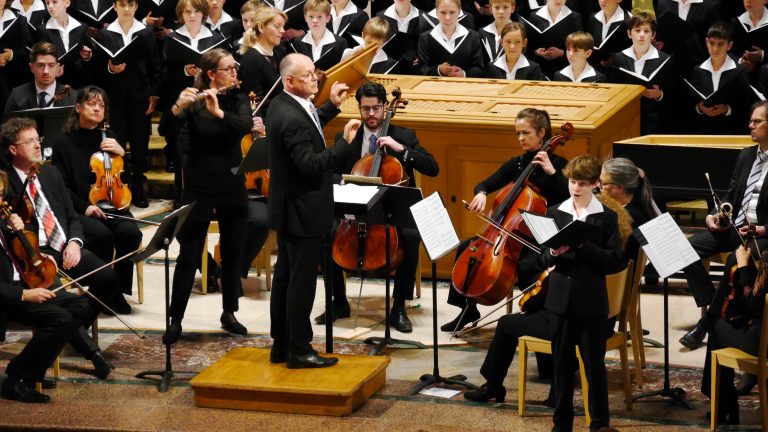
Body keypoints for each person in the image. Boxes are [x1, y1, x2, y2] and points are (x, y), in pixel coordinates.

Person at [1, 117, 120, 378]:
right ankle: (92, 352)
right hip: (34, 253)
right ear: (13, 149)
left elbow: (71, 217)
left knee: (109, 278)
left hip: (63, 245)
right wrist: (37, 253)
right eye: (29, 141)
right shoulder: (4, 182)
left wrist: (75, 244)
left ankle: (71, 331)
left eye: (37, 140)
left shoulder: (50, 172)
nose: (37, 145)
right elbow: (10, 233)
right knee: (59, 302)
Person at [317, 82, 439, 332]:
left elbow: (432, 167)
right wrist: (346, 180)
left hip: (393, 210)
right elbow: (326, 173)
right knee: (323, 232)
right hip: (356, 208)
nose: (371, 115)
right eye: (365, 109)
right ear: (359, 108)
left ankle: (399, 307)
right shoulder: (347, 136)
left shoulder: (404, 135)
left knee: (411, 236)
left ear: (385, 107)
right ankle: (338, 301)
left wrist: (401, 150)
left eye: (375, 109)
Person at [442, 108, 569, 332]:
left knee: (529, 264)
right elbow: (484, 184)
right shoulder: (518, 164)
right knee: (466, 247)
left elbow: (568, 198)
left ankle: (534, 316)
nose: (520, 138)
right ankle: (467, 309)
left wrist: (551, 172)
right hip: (508, 234)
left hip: (542, 235)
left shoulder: (558, 164)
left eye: (525, 133)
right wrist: (481, 193)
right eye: (517, 133)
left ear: (541, 133)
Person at [266, 53, 352, 368]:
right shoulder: (290, 117)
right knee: (301, 282)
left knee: (286, 278)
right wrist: (343, 145)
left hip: (290, 207)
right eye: (308, 76)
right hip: (303, 211)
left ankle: (282, 345)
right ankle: (300, 350)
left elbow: (309, 125)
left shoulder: (283, 104)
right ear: (289, 81)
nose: (315, 79)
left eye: (315, 73)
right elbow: (310, 164)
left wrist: (331, 105)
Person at [162, 48, 252, 344]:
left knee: (233, 252)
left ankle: (229, 312)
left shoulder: (237, 99)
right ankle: (176, 320)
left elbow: (245, 126)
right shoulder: (193, 97)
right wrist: (178, 106)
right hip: (199, 185)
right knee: (189, 254)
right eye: (229, 69)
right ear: (212, 74)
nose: (235, 73)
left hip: (231, 183)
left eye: (235, 68)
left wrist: (219, 112)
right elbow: (166, 128)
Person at [544, 155, 625, 432]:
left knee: (594, 366)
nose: (575, 188)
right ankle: (561, 422)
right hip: (560, 299)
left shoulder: (606, 217)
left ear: (594, 185)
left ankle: (600, 424)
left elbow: (616, 261)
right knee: (562, 366)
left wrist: (582, 246)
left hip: (590, 300)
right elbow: (541, 257)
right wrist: (554, 251)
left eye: (581, 183)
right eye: (571, 182)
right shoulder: (555, 211)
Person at [679, 101, 768, 349]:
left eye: (757, 121)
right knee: (686, 248)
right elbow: (730, 193)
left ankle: (706, 324)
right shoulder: (747, 154)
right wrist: (715, 214)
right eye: (750, 120)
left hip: (761, 233)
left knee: (734, 261)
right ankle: (712, 306)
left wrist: (762, 229)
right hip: (735, 227)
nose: (750, 125)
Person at [52, 86, 142, 315]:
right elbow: (61, 187)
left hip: (112, 203)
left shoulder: (109, 138)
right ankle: (101, 290)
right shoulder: (64, 143)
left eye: (101, 105)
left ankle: (118, 289)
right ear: (78, 107)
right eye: (92, 103)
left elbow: (123, 176)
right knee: (101, 235)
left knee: (131, 234)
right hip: (81, 209)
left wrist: (123, 154)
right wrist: (86, 207)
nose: (97, 108)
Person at [94, 0, 162, 208]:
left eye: (130, 4)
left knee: (140, 145)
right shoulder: (106, 34)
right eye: (121, 4)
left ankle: (139, 187)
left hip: (140, 98)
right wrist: (110, 68)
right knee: (117, 144)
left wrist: (154, 96)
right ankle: (119, 187)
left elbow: (155, 67)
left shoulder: (146, 33)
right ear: (114, 7)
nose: (126, 9)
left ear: (135, 7)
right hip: (114, 99)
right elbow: (97, 69)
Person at [237, 6, 285, 283]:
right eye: (276, 26)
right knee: (262, 215)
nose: (281, 31)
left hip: (275, 133)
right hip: (261, 135)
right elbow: (250, 104)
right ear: (261, 28)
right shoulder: (252, 59)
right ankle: (237, 267)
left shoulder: (276, 54)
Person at [700, 243, 766, 425]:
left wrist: (744, 266)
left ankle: (724, 408)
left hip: (762, 341)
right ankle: (725, 406)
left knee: (715, 327)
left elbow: (754, 302)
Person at [611, 11, 676, 135]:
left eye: (646, 31)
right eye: (637, 30)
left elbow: (672, 91)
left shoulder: (664, 59)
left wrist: (659, 94)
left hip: (655, 122)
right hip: (626, 120)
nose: (642, 35)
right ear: (629, 34)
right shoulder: (619, 58)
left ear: (653, 35)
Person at [684, 22, 753, 135]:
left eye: (720, 44)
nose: (715, 48)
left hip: (731, 130)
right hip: (704, 130)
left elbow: (746, 104)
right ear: (706, 42)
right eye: (712, 43)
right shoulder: (698, 70)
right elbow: (691, 102)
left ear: (729, 45)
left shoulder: (739, 71)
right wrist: (699, 107)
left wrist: (726, 108)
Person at [417, 0, 485, 78]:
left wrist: (464, 74)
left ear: (459, 12)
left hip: (465, 87)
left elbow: (480, 69)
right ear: (436, 12)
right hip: (436, 88)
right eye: (443, 12)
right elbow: (421, 69)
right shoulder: (425, 38)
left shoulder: (473, 36)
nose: (447, 17)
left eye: (452, 12)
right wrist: (439, 70)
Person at [4, 42, 76, 113]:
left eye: (51, 65)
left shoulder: (73, 96)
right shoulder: (17, 95)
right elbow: (7, 124)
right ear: (31, 67)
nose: (46, 71)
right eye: (40, 65)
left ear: (57, 67)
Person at [36, 0, 93, 88]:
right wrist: (53, 71)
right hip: (56, 83)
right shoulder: (42, 31)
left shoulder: (81, 27)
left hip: (80, 81)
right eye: (47, 3)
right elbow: (42, 59)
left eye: (54, 2)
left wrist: (87, 57)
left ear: (66, 3)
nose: (50, 6)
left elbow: (90, 63)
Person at [523, 0, 583, 78]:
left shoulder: (574, 17)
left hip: (565, 68)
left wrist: (562, 53)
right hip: (541, 68)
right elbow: (529, 44)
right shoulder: (534, 16)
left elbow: (580, 45)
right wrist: (536, 52)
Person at [289, 0, 348, 71]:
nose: (314, 20)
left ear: (328, 18)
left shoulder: (340, 43)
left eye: (319, 17)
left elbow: (342, 70)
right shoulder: (298, 42)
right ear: (305, 18)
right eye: (311, 16)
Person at [586, 0, 630, 71]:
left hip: (618, 71)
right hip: (595, 70)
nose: (602, 1)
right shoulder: (593, 17)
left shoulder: (628, 21)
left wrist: (614, 59)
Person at [478, 0, 515, 65]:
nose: (501, 12)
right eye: (497, 8)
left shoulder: (519, 33)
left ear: (512, 8)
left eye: (505, 7)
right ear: (491, 9)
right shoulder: (482, 32)